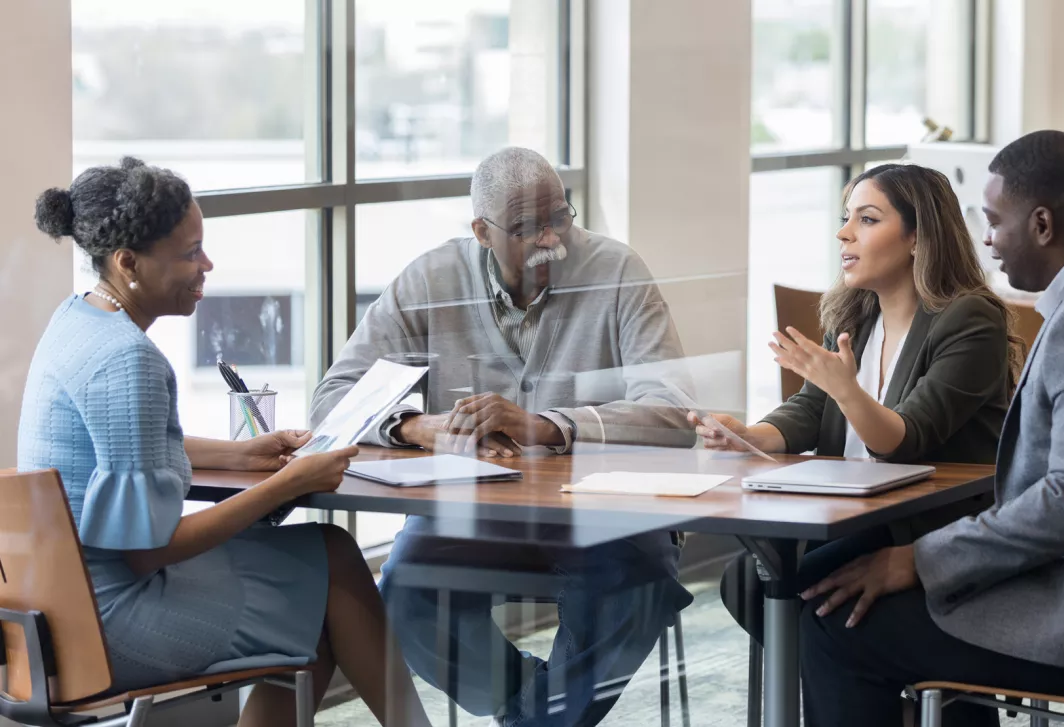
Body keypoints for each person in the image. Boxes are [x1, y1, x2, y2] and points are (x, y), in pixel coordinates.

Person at [18, 158, 430, 727]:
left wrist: (242, 454)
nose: (207, 265)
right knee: (331, 562)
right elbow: (149, 552)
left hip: (56, 614)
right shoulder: (128, 360)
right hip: (113, 621)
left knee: (319, 584)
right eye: (190, 253)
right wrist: (289, 482)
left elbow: (122, 449)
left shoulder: (76, 322)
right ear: (128, 261)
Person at [796, 130, 1064, 726]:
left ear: (1042, 225)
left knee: (833, 627)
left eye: (995, 221)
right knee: (821, 594)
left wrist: (918, 560)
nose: (985, 239)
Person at [310, 147, 695, 726]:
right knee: (408, 593)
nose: (550, 239)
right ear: (482, 231)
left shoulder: (617, 271)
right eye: (526, 227)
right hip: (473, 513)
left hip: (603, 514)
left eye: (559, 217)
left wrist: (548, 426)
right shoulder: (431, 279)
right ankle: (536, 714)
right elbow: (331, 399)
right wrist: (417, 427)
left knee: (634, 590)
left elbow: (673, 411)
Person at [701, 163, 1024, 643]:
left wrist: (846, 389)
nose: (843, 233)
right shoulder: (856, 312)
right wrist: (751, 437)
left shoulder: (969, 319)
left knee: (785, 595)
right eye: (846, 217)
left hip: (923, 529)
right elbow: (813, 408)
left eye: (867, 220)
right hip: (851, 514)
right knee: (748, 584)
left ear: (918, 237)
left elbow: (907, 439)